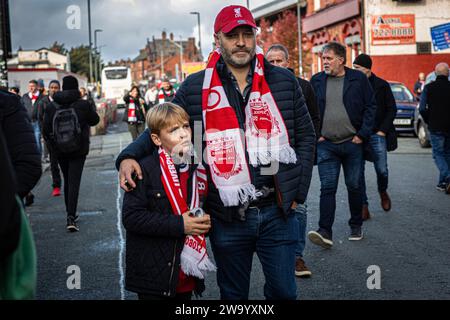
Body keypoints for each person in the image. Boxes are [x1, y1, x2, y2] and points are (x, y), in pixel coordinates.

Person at [116, 5, 316, 300]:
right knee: (233, 294)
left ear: (254, 37)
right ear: (218, 39)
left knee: (284, 292)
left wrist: (297, 193)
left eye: (247, 34)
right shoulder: (196, 86)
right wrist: (129, 156)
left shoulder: (283, 81)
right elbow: (161, 125)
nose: (240, 41)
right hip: (228, 215)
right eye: (232, 35)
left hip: (277, 210)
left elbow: (307, 137)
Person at [122, 102, 213, 300]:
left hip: (186, 270)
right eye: (173, 130)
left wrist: (204, 223)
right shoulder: (144, 169)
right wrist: (181, 224)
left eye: (186, 126)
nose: (183, 134)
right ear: (156, 138)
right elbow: (132, 218)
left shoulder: (197, 167)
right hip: (155, 274)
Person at [308, 42, 376, 248]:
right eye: (323, 58)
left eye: (328, 58)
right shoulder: (317, 80)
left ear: (340, 60)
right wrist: (317, 134)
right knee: (327, 188)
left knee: (354, 185)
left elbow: (371, 107)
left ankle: (356, 224)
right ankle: (324, 231)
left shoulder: (358, 79)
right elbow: (309, 110)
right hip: (326, 144)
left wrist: (362, 135)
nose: (325, 62)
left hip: (352, 143)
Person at [265, 43, 320, 278]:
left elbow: (314, 120)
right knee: (272, 201)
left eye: (280, 61)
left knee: (300, 204)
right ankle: (276, 251)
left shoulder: (304, 86)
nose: (276, 65)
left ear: (288, 62)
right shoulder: (261, 86)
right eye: (272, 62)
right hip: (268, 154)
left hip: (295, 155)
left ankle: (297, 256)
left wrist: (308, 152)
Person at [43, 76, 100, 232]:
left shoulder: (52, 106)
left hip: (59, 150)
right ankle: (71, 216)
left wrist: (53, 146)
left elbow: (45, 130)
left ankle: (71, 213)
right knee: (74, 182)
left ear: (62, 87)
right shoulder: (83, 104)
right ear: (76, 87)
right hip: (78, 149)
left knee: (67, 179)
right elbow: (95, 120)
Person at [353, 53, 397, 220]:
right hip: (357, 134)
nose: (354, 71)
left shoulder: (382, 85)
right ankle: (364, 205)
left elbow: (391, 108)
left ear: (367, 69)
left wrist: (382, 131)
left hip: (377, 133)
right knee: (358, 173)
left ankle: (382, 190)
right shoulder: (353, 85)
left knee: (382, 170)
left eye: (357, 68)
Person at [419, 62, 450, 193]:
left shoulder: (428, 87)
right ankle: (442, 183)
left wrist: (428, 119)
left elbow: (422, 108)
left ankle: (448, 177)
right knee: (448, 154)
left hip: (435, 125)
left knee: (438, 154)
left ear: (435, 73)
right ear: (448, 73)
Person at [37, 80, 63, 197]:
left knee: (64, 162)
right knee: (53, 163)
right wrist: (45, 135)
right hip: (50, 137)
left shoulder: (63, 102)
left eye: (56, 87)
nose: (54, 89)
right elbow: (40, 120)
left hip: (63, 137)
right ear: (48, 89)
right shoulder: (43, 102)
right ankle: (56, 186)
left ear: (60, 89)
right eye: (52, 87)